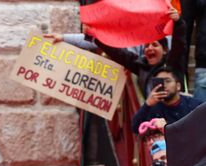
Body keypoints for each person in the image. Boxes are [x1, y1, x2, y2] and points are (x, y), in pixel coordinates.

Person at [45, 6, 186, 98]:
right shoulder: (140, 66)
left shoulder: (172, 64)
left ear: (165, 50)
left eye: (154, 45)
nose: (149, 49)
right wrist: (94, 36)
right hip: (150, 117)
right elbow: (116, 52)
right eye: (147, 46)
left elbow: (180, 44)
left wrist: (178, 23)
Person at [131, 66, 203, 133]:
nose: (164, 85)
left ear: (178, 86)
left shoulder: (195, 105)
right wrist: (147, 104)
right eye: (159, 82)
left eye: (167, 81)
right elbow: (135, 128)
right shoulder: (152, 107)